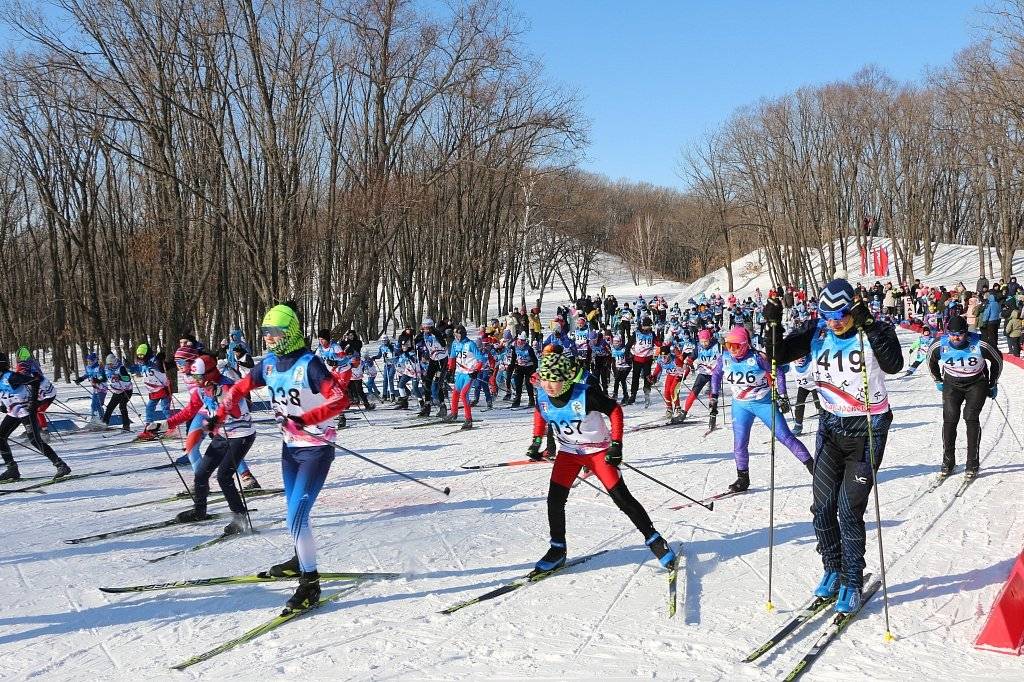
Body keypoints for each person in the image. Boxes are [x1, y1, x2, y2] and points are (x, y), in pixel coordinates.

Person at [765, 279, 903, 614]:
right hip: (830, 429)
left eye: (840, 314)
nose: (834, 321)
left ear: (853, 308)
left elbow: (894, 365)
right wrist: (772, 325)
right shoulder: (817, 332)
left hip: (867, 431)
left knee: (848, 510)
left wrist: (869, 323)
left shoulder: (874, 331)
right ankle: (833, 567)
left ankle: (853, 581)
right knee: (822, 506)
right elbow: (777, 355)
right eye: (827, 314)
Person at [216, 303, 349, 611]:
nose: (268, 340)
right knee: (293, 513)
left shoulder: (310, 364)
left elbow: (341, 398)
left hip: (315, 450)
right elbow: (240, 387)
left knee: (296, 516)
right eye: (265, 334)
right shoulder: (271, 364)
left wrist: (310, 417)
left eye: (274, 333)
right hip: (290, 450)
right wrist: (222, 409)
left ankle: (310, 584)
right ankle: (298, 559)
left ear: (289, 333)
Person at [525, 352, 676, 572]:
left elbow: (614, 410)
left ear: (565, 378)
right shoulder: (542, 396)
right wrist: (536, 441)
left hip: (597, 452)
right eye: (545, 378)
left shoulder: (585, 395)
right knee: (554, 501)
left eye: (554, 379)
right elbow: (541, 413)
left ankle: (654, 540)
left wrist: (616, 445)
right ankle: (557, 549)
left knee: (622, 499)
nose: (548, 385)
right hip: (568, 453)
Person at [144, 357, 256, 535]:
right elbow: (189, 411)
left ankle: (240, 518)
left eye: (198, 377)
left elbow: (234, 412)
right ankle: (199, 511)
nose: (195, 381)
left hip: (241, 436)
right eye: (194, 377)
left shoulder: (227, 387)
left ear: (210, 374)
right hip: (221, 435)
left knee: (224, 476)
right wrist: (165, 424)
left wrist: (221, 397)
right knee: (201, 473)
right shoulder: (202, 390)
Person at [710, 326, 812, 492]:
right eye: (729, 346)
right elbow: (716, 374)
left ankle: (814, 468)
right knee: (739, 443)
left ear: (745, 345)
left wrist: (783, 395)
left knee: (785, 437)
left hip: (763, 403)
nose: (732, 350)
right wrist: (713, 396)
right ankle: (742, 479)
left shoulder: (758, 358)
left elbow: (778, 371)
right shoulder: (725, 358)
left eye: (736, 346)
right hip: (740, 405)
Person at [927, 314, 1002, 479]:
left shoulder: (981, 343)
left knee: (970, 417)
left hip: (976, 383)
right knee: (950, 419)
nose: (956, 337)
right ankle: (948, 461)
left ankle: (972, 463)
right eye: (952, 334)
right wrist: (937, 380)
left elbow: (997, 360)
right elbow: (930, 360)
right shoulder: (940, 344)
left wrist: (992, 382)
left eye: (960, 334)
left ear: (966, 333)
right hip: (951, 383)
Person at [0, 353, 70, 481]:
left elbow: (35, 381)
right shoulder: (1, 378)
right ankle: (12, 469)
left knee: (35, 440)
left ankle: (61, 465)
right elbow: (5, 393)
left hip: (26, 411)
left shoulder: (11, 376)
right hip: (14, 412)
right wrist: (3, 405)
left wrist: (33, 402)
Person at [445, 325, 485, 428]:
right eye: (455, 334)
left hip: (469, 374)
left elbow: (481, 359)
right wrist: (450, 370)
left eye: (457, 334)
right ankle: (454, 413)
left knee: (463, 394)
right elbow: (452, 357)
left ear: (462, 334)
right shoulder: (455, 344)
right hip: (459, 373)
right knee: (455, 393)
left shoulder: (470, 344)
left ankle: (468, 419)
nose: (456, 336)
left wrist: (476, 371)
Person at [680, 328, 720, 424]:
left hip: (715, 374)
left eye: (706, 341)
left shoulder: (717, 346)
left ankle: (712, 414)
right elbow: (692, 357)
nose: (704, 344)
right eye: (702, 341)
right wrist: (686, 363)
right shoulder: (698, 347)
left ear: (710, 339)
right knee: (694, 391)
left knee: (713, 394)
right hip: (703, 373)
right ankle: (684, 412)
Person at [131, 343, 171, 423]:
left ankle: (173, 424)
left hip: (163, 388)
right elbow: (138, 369)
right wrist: (130, 367)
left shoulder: (154, 360)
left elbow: (161, 367)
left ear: (147, 354)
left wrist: (159, 360)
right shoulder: (142, 363)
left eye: (142, 355)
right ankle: (149, 425)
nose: (140, 357)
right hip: (153, 391)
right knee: (149, 408)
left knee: (165, 408)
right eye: (138, 355)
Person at [650, 345, 689, 420]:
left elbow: (686, 369)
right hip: (670, 375)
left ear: (669, 355)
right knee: (666, 392)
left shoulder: (675, 360)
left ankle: (678, 408)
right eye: (662, 356)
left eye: (665, 356)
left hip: (677, 376)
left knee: (673, 391)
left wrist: (682, 377)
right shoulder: (660, 360)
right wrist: (653, 376)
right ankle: (669, 409)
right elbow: (658, 369)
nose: (663, 358)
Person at [625, 316, 657, 406]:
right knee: (635, 377)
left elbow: (658, 343)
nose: (650, 327)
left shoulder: (652, 334)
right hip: (637, 359)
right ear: (644, 326)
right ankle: (633, 395)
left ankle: (647, 394)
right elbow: (628, 345)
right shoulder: (637, 333)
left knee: (647, 377)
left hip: (647, 359)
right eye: (649, 326)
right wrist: (627, 356)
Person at [787, 353, 820, 436]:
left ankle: (823, 423)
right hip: (803, 387)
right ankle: (798, 426)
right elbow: (781, 368)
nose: (800, 360)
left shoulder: (811, 361)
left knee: (818, 404)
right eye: (797, 358)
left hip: (814, 385)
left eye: (802, 358)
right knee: (799, 405)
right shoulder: (791, 364)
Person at [101, 354, 134, 431]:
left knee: (122, 406)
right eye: (108, 364)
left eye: (111, 364)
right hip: (117, 391)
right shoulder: (107, 368)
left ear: (114, 362)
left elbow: (127, 378)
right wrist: (98, 380)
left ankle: (126, 425)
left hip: (127, 390)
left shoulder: (121, 368)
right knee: (110, 407)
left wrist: (120, 377)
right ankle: (104, 423)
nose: (110, 366)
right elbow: (104, 377)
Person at [73, 352, 107, 424]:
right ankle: (94, 419)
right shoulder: (88, 368)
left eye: (91, 361)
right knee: (93, 405)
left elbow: (103, 377)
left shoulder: (99, 367)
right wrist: (80, 379)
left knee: (98, 404)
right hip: (95, 389)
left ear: (95, 360)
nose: (89, 362)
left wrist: (98, 380)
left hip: (102, 388)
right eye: (88, 361)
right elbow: (87, 375)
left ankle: (102, 419)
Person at [509, 332, 538, 408]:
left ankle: (531, 400)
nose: (520, 342)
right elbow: (513, 358)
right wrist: (511, 367)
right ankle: (517, 400)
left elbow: (535, 360)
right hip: (519, 368)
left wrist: (533, 370)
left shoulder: (529, 349)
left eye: (522, 341)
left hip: (529, 368)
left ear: (525, 341)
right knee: (518, 384)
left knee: (528, 384)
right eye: (519, 340)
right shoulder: (515, 347)